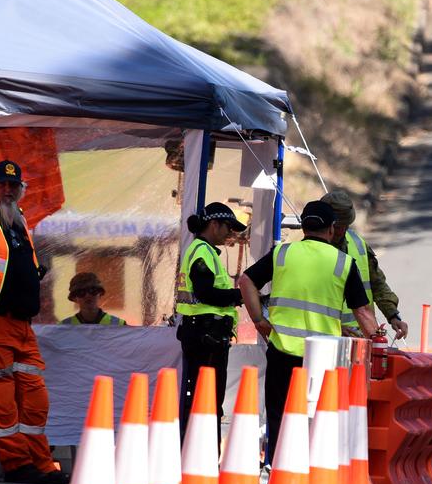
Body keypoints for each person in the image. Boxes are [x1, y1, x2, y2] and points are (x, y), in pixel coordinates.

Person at [238, 200, 379, 466]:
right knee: (317, 416)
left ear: (304, 226)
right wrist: (377, 339)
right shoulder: (343, 262)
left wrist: (259, 320)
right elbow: (362, 312)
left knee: (280, 414)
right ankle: (314, 471)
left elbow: (246, 281)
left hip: (281, 350)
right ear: (332, 229)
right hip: (321, 357)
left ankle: (277, 469)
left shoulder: (282, 254)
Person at [0, 160, 69, 484]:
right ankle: (17, 464)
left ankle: (41, 462)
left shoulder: (18, 221)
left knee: (35, 398)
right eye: (2, 184)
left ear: (20, 189)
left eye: (13, 185)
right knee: (0, 400)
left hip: (22, 326)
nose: (8, 190)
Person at [175, 202, 247, 443]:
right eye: (228, 227)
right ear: (214, 224)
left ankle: (201, 454)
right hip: (205, 334)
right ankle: (202, 455)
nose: (230, 234)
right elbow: (206, 293)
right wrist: (240, 296)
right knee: (207, 399)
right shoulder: (203, 252)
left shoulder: (202, 250)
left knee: (206, 397)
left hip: (204, 332)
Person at [321, 189, 409, 340]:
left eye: (346, 225)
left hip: (362, 336)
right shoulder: (311, 252)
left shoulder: (358, 243)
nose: (342, 231)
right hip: (326, 338)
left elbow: (377, 284)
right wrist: (334, 327)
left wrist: (393, 315)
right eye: (337, 226)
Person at [60, 272, 128, 325]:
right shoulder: (62, 328)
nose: (88, 295)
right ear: (74, 298)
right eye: (81, 292)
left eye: (93, 290)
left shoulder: (119, 326)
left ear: (100, 294)